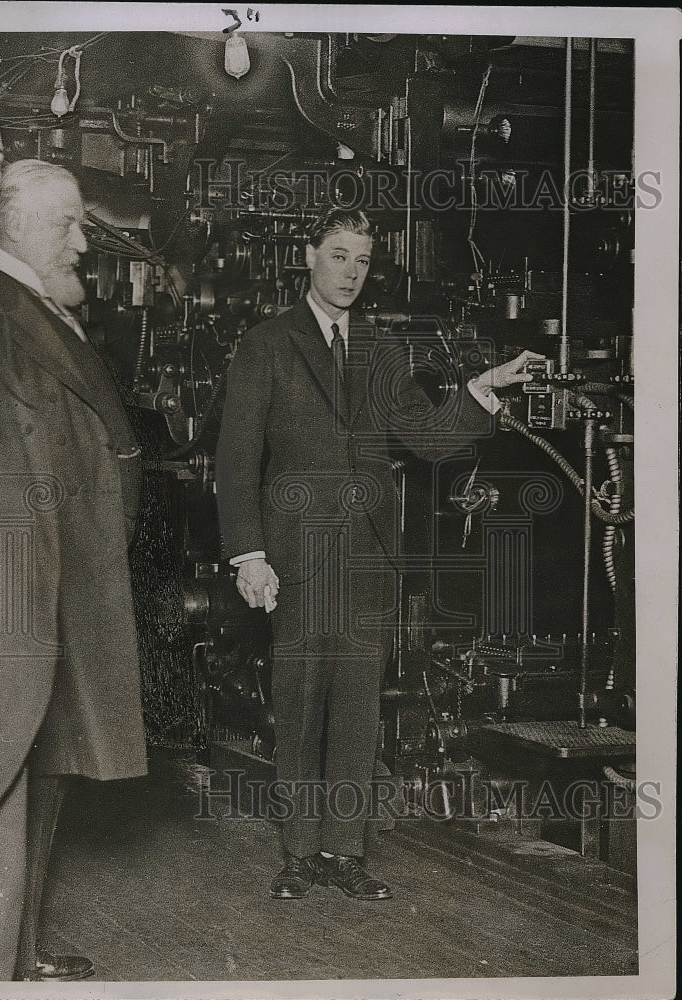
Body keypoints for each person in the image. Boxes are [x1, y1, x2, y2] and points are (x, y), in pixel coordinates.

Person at [215, 207, 542, 901]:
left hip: (367, 561)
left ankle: (344, 852)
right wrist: (249, 555)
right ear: (309, 257)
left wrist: (485, 387)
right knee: (300, 706)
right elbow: (237, 461)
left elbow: (424, 436)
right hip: (297, 557)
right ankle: (298, 854)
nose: (350, 273)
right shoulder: (266, 344)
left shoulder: (380, 351)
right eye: (338, 256)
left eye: (361, 261)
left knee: (358, 711)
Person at [0, 155, 147, 980]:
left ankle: (21, 946)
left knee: (46, 769)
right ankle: (2, 954)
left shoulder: (32, 303)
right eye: (68, 224)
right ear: (21, 227)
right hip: (32, 585)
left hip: (67, 573)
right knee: (18, 772)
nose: (83, 241)